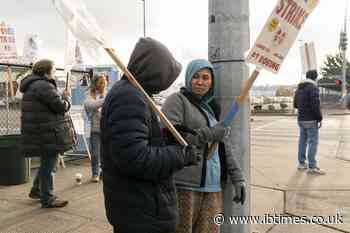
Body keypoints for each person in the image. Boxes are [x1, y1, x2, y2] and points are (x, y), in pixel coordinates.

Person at [100, 37, 201, 233]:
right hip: (141, 210)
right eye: (165, 77)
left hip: (140, 206)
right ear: (155, 72)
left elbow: (139, 141)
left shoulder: (134, 93)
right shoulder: (129, 96)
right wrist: (180, 155)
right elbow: (135, 158)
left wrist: (167, 136)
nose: (165, 84)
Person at [162, 59, 246, 233]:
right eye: (196, 77)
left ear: (212, 81)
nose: (200, 82)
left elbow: (224, 148)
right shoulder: (177, 100)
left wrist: (238, 179)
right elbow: (172, 136)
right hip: (184, 186)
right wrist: (210, 133)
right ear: (188, 78)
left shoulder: (210, 109)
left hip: (213, 187)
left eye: (206, 78)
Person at [20, 59, 74, 208]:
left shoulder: (32, 85)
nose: (55, 72)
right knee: (49, 165)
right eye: (54, 69)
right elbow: (60, 106)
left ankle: (37, 190)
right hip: (47, 132)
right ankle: (47, 198)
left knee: (47, 163)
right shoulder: (43, 86)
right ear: (46, 71)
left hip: (40, 131)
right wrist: (67, 98)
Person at [294, 69, 325, 175]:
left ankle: (301, 164)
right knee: (313, 142)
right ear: (315, 78)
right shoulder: (313, 88)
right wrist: (319, 118)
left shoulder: (299, 88)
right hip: (311, 119)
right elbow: (315, 105)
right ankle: (312, 166)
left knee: (302, 141)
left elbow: (295, 104)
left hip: (301, 119)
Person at [83, 74, 107, 182]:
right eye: (101, 82)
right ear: (95, 84)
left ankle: (103, 172)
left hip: (106, 129)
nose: (103, 84)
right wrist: (106, 100)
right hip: (94, 129)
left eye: (104, 82)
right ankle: (95, 174)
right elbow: (91, 105)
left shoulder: (106, 94)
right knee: (95, 153)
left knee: (105, 153)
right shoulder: (89, 95)